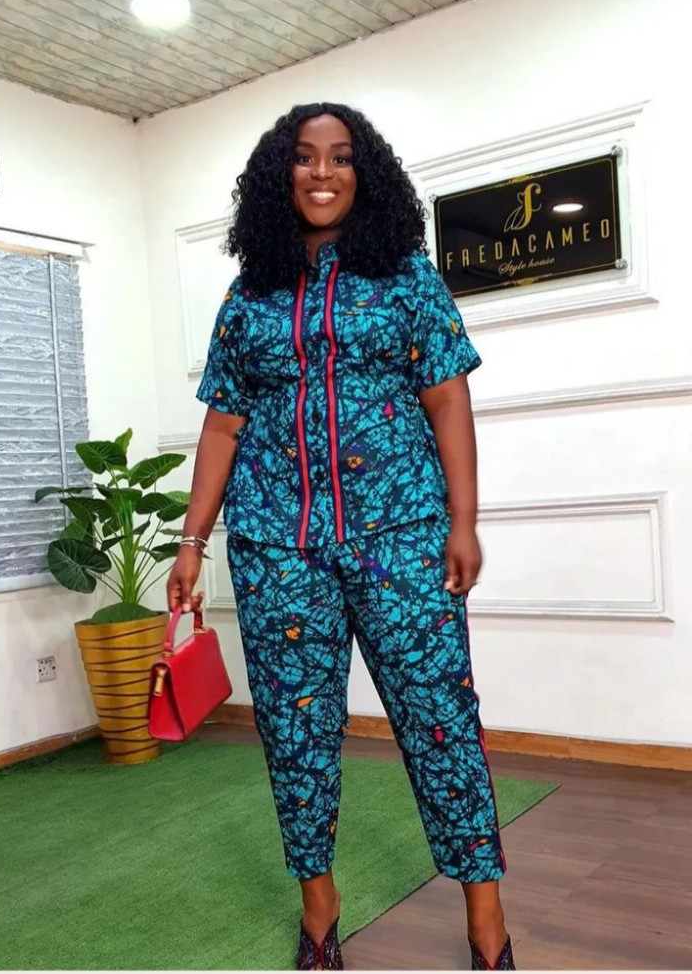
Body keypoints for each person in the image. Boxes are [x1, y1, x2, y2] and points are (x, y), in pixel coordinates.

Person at [167, 102, 515, 972]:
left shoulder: (406, 278)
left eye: (342, 157)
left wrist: (463, 522)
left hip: (402, 537)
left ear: (367, 174)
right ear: (279, 174)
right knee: (296, 734)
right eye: (304, 156)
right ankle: (319, 910)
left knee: (440, 721)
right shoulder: (249, 295)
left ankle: (487, 921)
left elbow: (447, 400)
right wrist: (191, 542)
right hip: (276, 549)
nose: (322, 172)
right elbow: (223, 423)